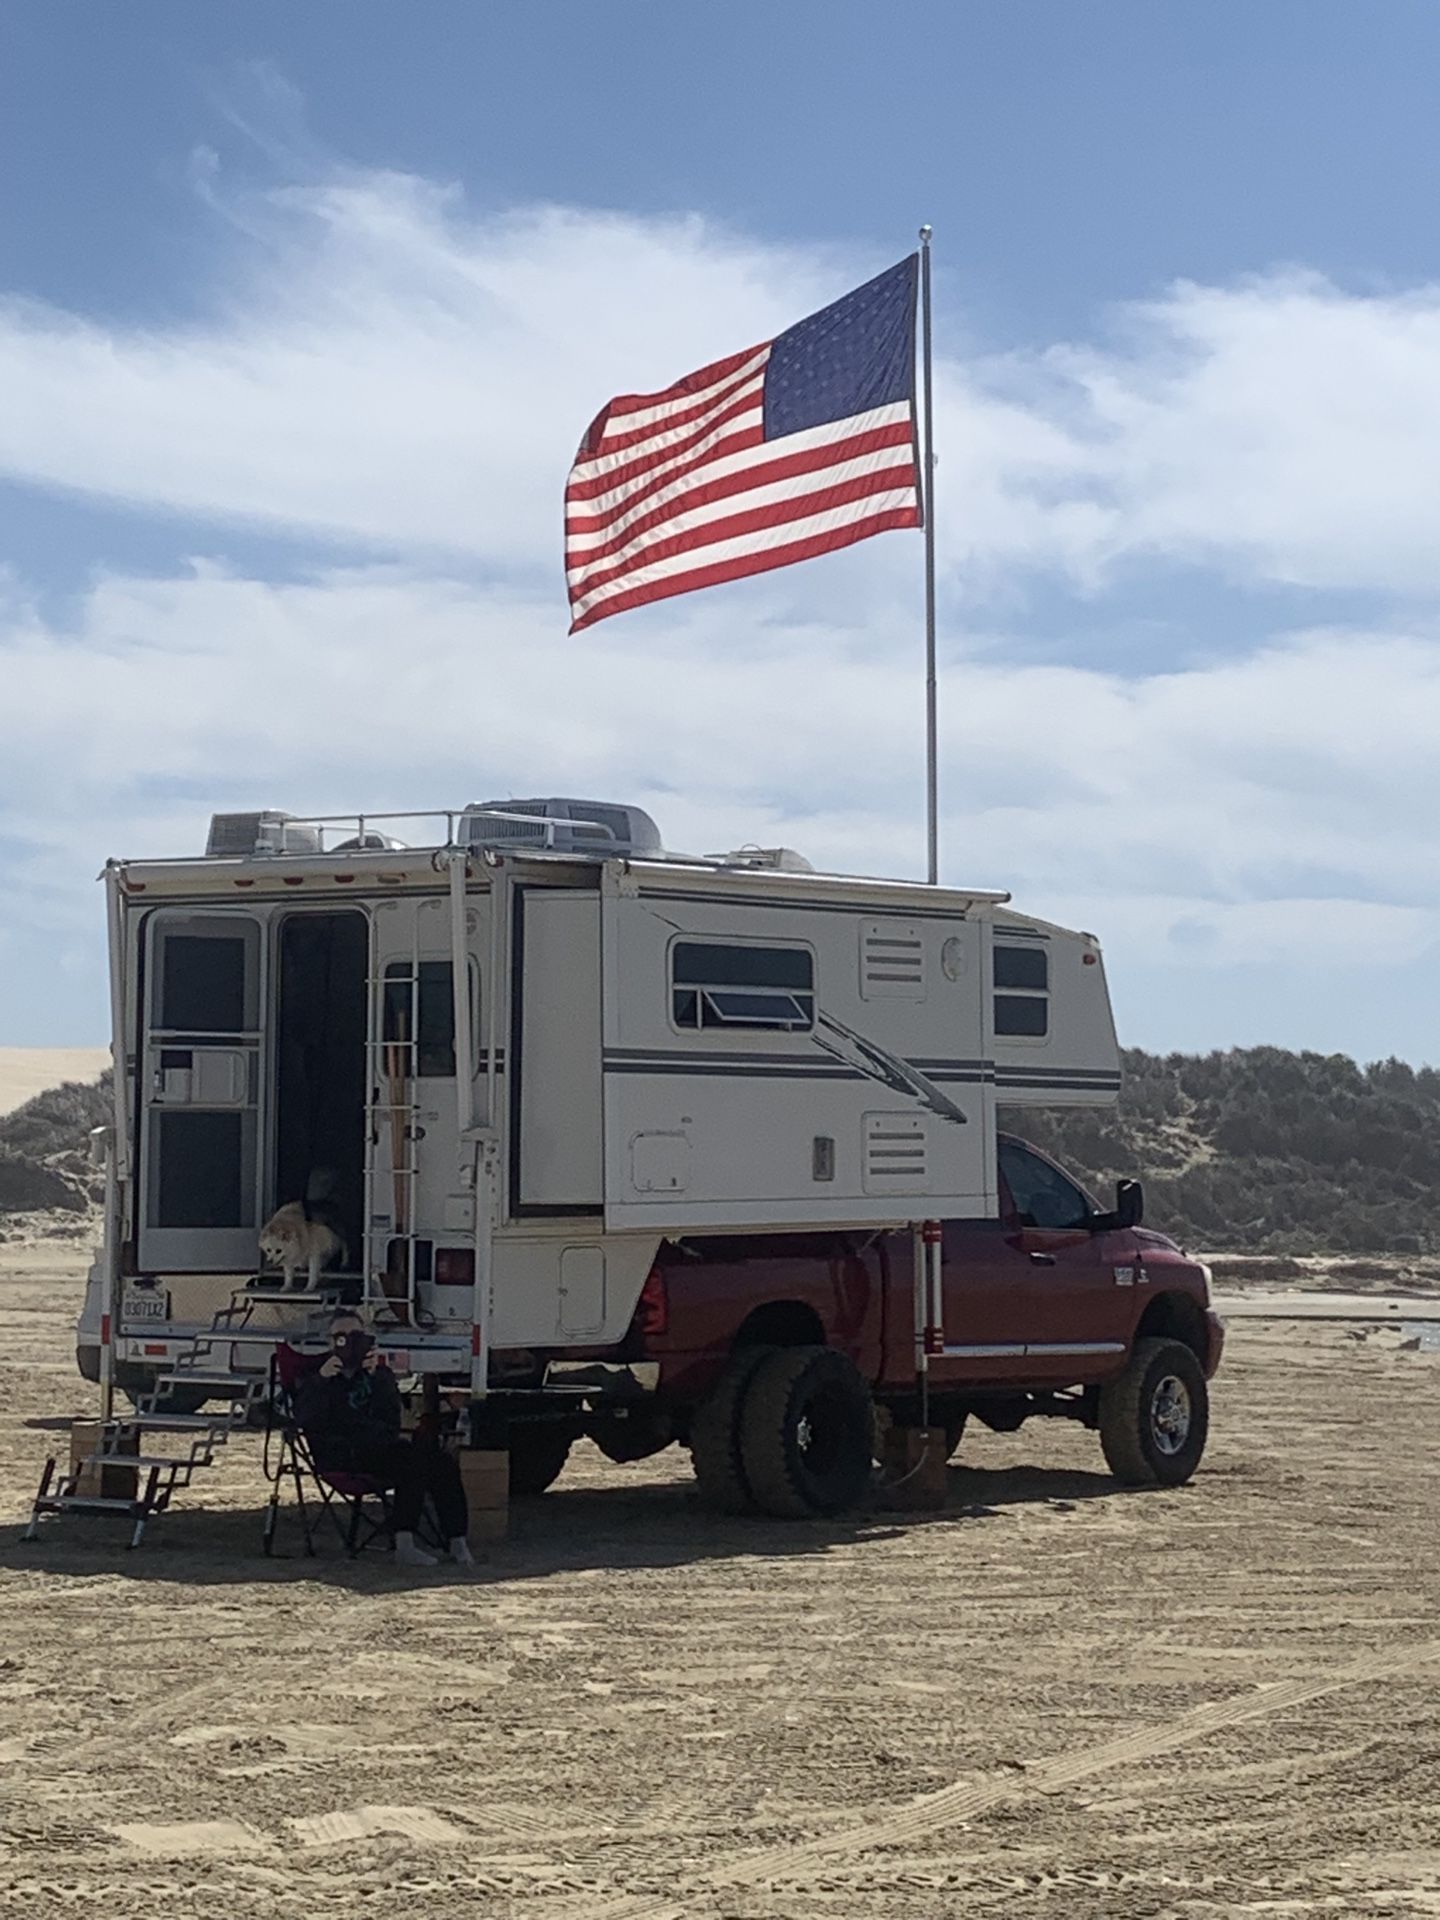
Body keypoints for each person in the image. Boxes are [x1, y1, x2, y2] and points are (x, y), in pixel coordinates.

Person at [293, 1309, 472, 1568]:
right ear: (330, 1342)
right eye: (339, 1337)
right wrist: (321, 1380)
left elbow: (391, 1421)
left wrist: (379, 1379)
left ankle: (457, 1540)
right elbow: (304, 1418)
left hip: (379, 1446)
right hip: (342, 1453)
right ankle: (404, 1543)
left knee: (440, 1460)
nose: (346, 1342)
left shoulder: (378, 1376)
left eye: (354, 1336)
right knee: (412, 1461)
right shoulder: (317, 1378)